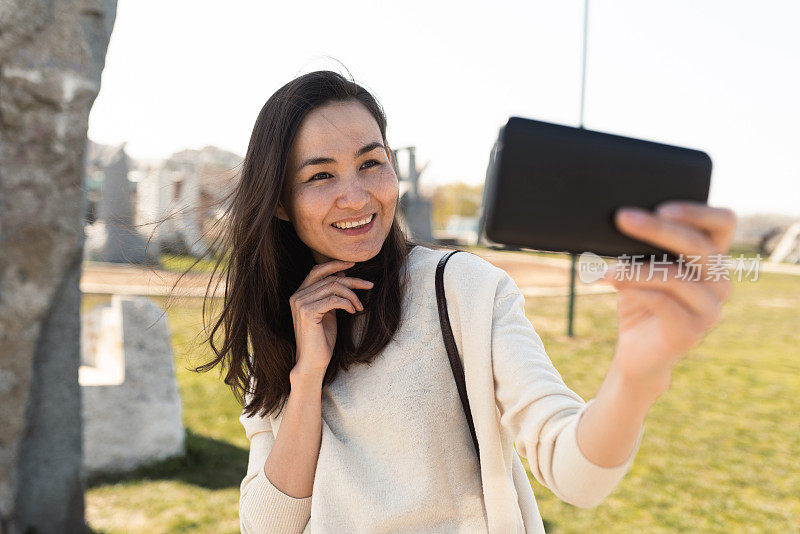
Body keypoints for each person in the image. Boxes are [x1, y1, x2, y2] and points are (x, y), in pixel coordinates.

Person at [215, 70, 737, 533]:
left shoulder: (462, 289)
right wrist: (307, 376)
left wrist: (636, 375)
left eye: (371, 163)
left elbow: (577, 476)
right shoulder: (290, 322)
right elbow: (267, 526)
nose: (356, 196)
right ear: (281, 201)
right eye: (320, 175)